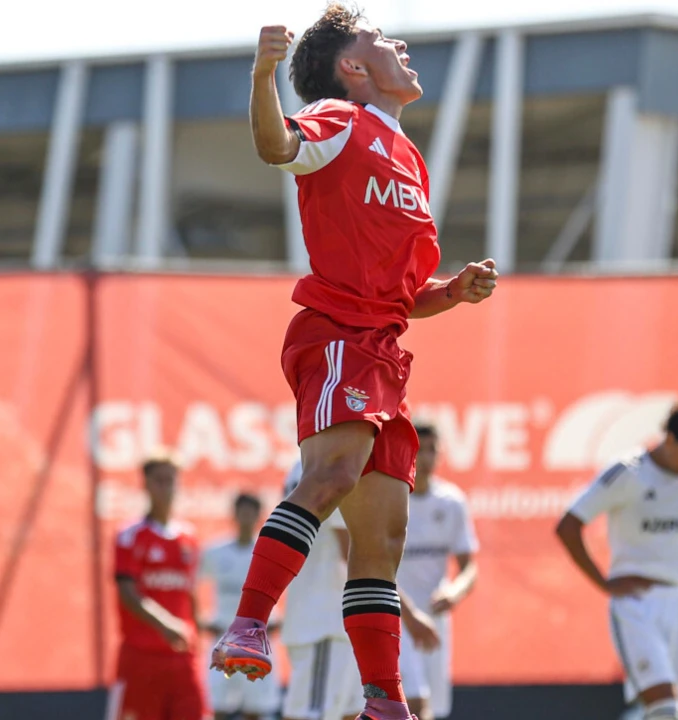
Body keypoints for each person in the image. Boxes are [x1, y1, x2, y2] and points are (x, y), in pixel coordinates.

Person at [211, 5, 498, 720]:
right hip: (338, 335)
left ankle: (384, 701)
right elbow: (276, 147)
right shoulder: (339, 117)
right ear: (353, 67)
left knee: (384, 537)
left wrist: (452, 294)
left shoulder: (407, 153)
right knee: (333, 476)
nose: (399, 44)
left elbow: (402, 296)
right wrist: (264, 73)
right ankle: (248, 622)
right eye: (380, 39)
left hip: (383, 348)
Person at [556, 401, 678, 720]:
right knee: (663, 705)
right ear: (671, 439)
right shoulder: (627, 472)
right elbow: (568, 526)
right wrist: (603, 582)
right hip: (637, 605)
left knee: (673, 710)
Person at [282, 459, 441, 720]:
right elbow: (358, 556)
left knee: (351, 713)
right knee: (312, 716)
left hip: (335, 623)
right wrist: (408, 615)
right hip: (326, 623)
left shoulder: (311, 462)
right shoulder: (335, 465)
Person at [112, 453, 205, 720]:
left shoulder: (189, 537)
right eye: (159, 481)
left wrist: (197, 638)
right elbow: (128, 594)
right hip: (142, 657)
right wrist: (166, 624)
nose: (166, 487)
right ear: (146, 485)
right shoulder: (130, 535)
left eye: (171, 480)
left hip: (182, 657)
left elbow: (190, 594)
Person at [398, 420, 479, 720]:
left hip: (434, 622)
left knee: (432, 708)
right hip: (397, 620)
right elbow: (376, 567)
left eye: (433, 450)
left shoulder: (452, 501)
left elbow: (469, 567)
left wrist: (455, 590)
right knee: (414, 702)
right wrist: (409, 614)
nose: (426, 457)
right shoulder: (391, 500)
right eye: (420, 450)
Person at [199, 493, 283, 720]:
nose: (246, 517)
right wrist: (200, 620)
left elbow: (287, 589)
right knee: (218, 708)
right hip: (222, 640)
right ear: (234, 515)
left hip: (256, 641)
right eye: (242, 512)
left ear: (259, 516)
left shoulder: (269, 553)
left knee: (255, 709)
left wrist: (278, 621)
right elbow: (192, 585)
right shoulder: (214, 551)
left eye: (251, 512)